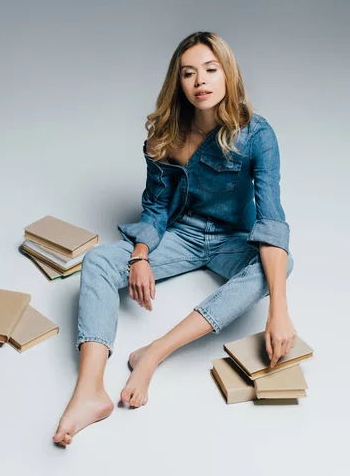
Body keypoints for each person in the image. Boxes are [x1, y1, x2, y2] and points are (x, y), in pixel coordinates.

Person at [53, 31, 297, 447]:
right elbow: (156, 207)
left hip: (232, 240)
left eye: (210, 69)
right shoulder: (166, 132)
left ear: (228, 75)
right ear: (178, 82)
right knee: (97, 262)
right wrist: (141, 257)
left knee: (280, 266)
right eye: (189, 73)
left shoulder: (257, 135)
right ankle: (89, 389)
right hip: (181, 235)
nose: (200, 80)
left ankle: (155, 352)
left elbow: (272, 220)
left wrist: (279, 310)